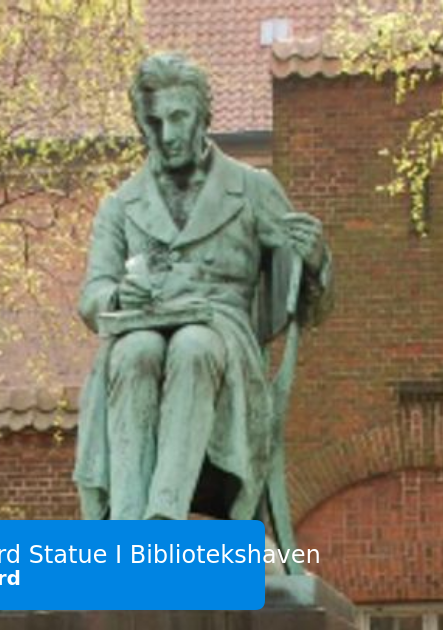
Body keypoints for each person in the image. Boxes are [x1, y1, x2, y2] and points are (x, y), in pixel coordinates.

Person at [73, 53, 332, 521]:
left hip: (225, 342)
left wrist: (313, 259)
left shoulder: (251, 188)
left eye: (179, 118)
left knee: (193, 345)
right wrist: (116, 296)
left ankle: (164, 517)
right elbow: (93, 294)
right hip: (143, 328)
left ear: (203, 117)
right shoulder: (121, 205)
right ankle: (127, 524)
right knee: (133, 352)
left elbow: (308, 301)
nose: (167, 134)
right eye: (154, 122)